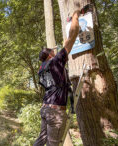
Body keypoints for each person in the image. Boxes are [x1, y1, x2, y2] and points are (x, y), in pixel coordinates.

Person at [34, 9, 81, 146]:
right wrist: (76, 15)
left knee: (41, 139)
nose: (55, 52)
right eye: (53, 51)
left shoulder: (42, 69)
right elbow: (72, 38)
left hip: (45, 109)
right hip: (55, 112)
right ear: (49, 55)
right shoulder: (55, 62)